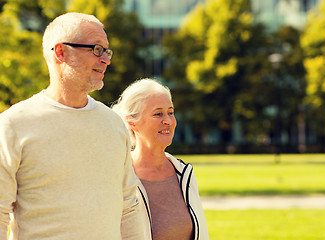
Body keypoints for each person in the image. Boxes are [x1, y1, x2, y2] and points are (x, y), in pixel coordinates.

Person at [0, 12, 144, 239]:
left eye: (107, 51)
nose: (105, 59)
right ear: (60, 52)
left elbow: (129, 207)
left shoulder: (113, 124)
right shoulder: (13, 125)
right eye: (96, 49)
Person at [112, 78, 209, 240]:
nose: (169, 121)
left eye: (170, 113)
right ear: (132, 123)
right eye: (158, 114)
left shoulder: (184, 173)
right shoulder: (120, 176)